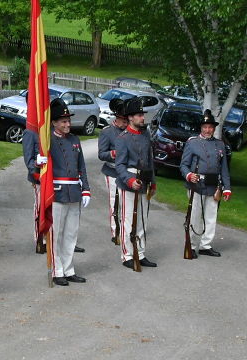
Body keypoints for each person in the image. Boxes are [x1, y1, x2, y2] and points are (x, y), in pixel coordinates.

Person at [37, 98, 91, 286]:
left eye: (68, 120)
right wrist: (38, 162)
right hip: (57, 192)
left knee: (71, 234)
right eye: (63, 121)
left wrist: (86, 189)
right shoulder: (47, 140)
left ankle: (69, 269)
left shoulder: (75, 140)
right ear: (54, 123)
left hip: (74, 192)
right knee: (56, 234)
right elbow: (36, 167)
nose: (68, 124)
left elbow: (81, 166)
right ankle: (57, 271)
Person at [179, 109, 231, 258]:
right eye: (205, 127)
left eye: (210, 127)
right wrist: (189, 175)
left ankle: (205, 245)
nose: (208, 130)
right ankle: (192, 245)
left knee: (211, 216)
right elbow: (183, 165)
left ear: (214, 128)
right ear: (201, 128)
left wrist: (227, 188)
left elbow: (224, 168)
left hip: (214, 185)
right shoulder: (192, 143)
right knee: (195, 216)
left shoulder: (220, 144)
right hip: (198, 184)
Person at [113, 97, 158, 269]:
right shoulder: (122, 138)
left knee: (142, 220)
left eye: (142, 115)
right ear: (130, 117)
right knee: (127, 220)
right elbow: (120, 165)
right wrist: (130, 180)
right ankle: (127, 255)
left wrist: (152, 182)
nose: (142, 118)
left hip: (145, 179)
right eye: (139, 115)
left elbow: (150, 161)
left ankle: (141, 251)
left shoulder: (145, 135)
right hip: (129, 181)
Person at [98, 98, 129, 246]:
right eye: (123, 120)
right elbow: (101, 154)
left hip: (128, 172)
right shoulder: (107, 132)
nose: (125, 123)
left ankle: (126, 229)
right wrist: (114, 153)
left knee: (126, 203)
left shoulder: (130, 132)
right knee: (114, 202)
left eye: (126, 120)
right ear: (116, 118)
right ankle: (115, 230)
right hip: (113, 171)